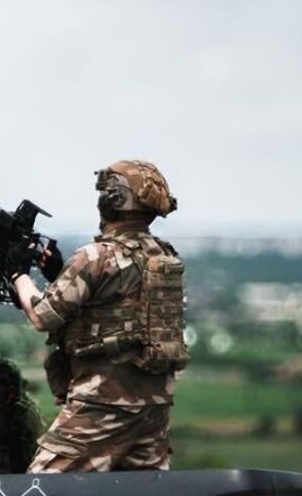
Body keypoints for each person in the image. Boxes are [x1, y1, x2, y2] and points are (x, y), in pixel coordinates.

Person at [11, 160, 188, 472]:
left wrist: (18, 274)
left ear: (110, 201)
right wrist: (57, 273)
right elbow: (112, 301)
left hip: (103, 402)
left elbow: (43, 316)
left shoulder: (96, 256)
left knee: (40, 494)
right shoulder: (163, 254)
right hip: (153, 406)